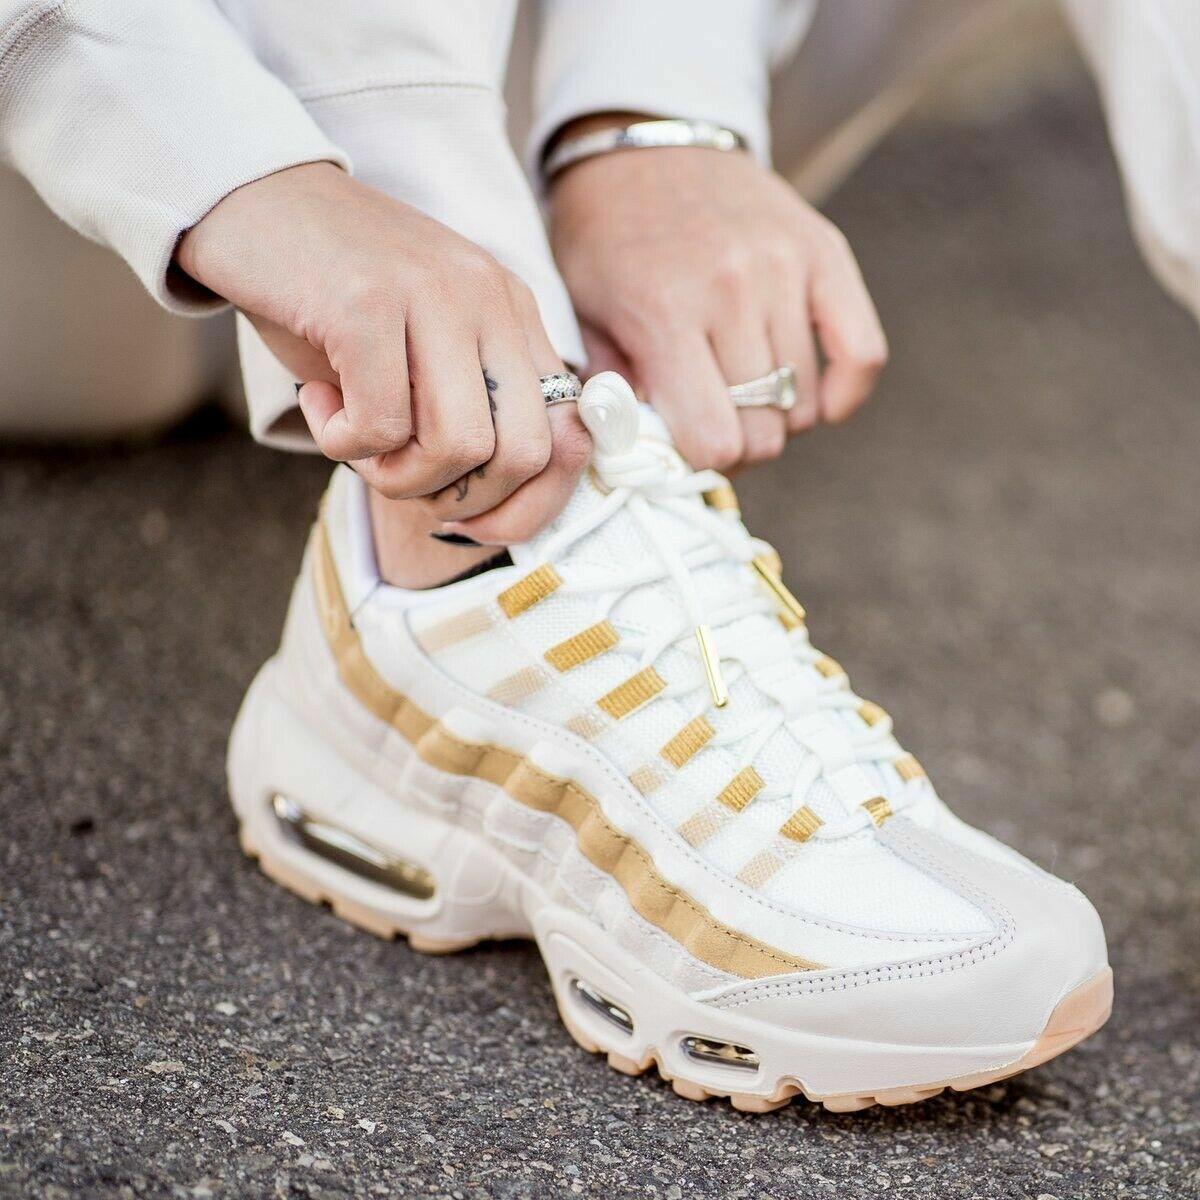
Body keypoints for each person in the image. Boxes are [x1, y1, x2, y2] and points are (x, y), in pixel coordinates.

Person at [13, 0, 1199, 1109]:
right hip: (101, 207)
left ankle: (509, 470)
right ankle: (464, 548)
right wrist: (236, 175)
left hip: (568, 129)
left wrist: (651, 107)